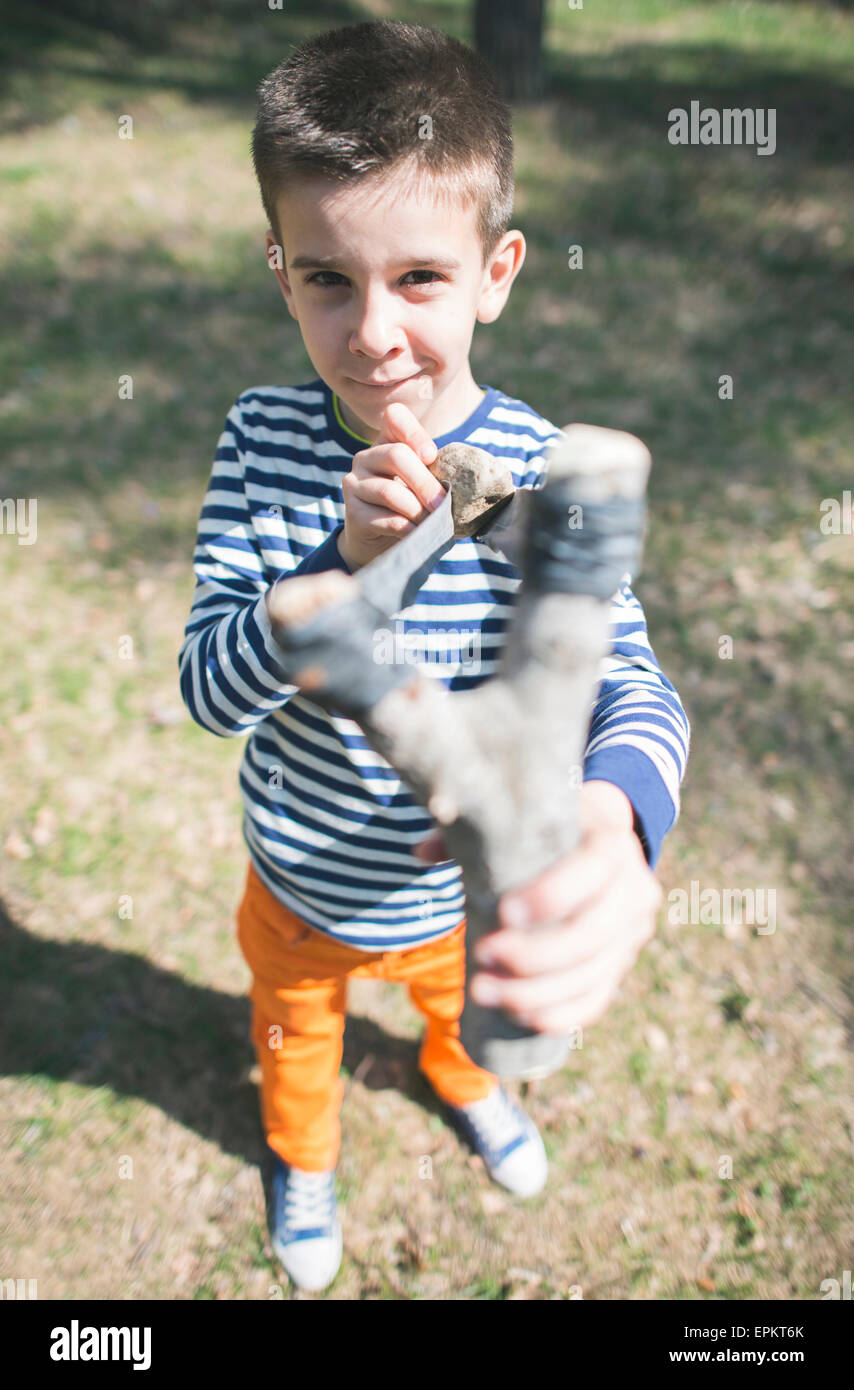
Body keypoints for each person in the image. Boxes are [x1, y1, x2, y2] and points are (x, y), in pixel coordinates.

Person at [178, 19, 690, 1294]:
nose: (372, 335)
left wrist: (618, 824)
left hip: (462, 897)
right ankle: (303, 1162)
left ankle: (467, 1083)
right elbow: (206, 690)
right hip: (298, 879)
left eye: (418, 278)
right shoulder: (258, 442)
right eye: (326, 281)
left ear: (496, 268)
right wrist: (335, 563)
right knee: (297, 1046)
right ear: (277, 271)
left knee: (466, 1024)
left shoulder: (533, 464)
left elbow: (625, 672)